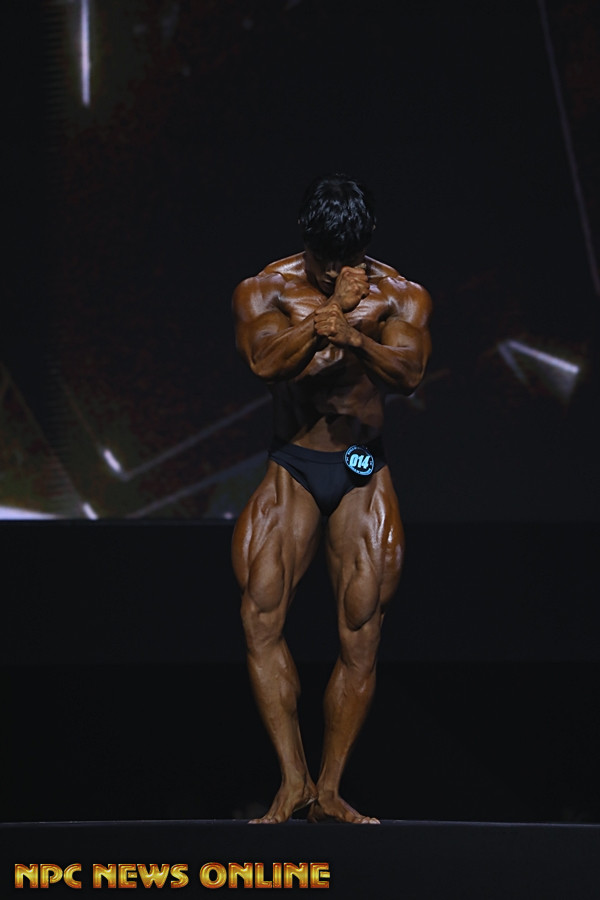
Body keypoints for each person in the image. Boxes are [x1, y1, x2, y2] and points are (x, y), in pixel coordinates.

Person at [231, 173, 432, 824]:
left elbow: (410, 374)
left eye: (347, 259)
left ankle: (329, 790)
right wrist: (329, 322)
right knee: (260, 616)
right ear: (305, 241)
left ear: (365, 246)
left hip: (358, 463)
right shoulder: (265, 287)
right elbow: (264, 364)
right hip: (292, 461)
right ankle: (292, 780)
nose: (332, 271)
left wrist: (357, 337)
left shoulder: (400, 294)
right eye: (323, 258)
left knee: (361, 626)